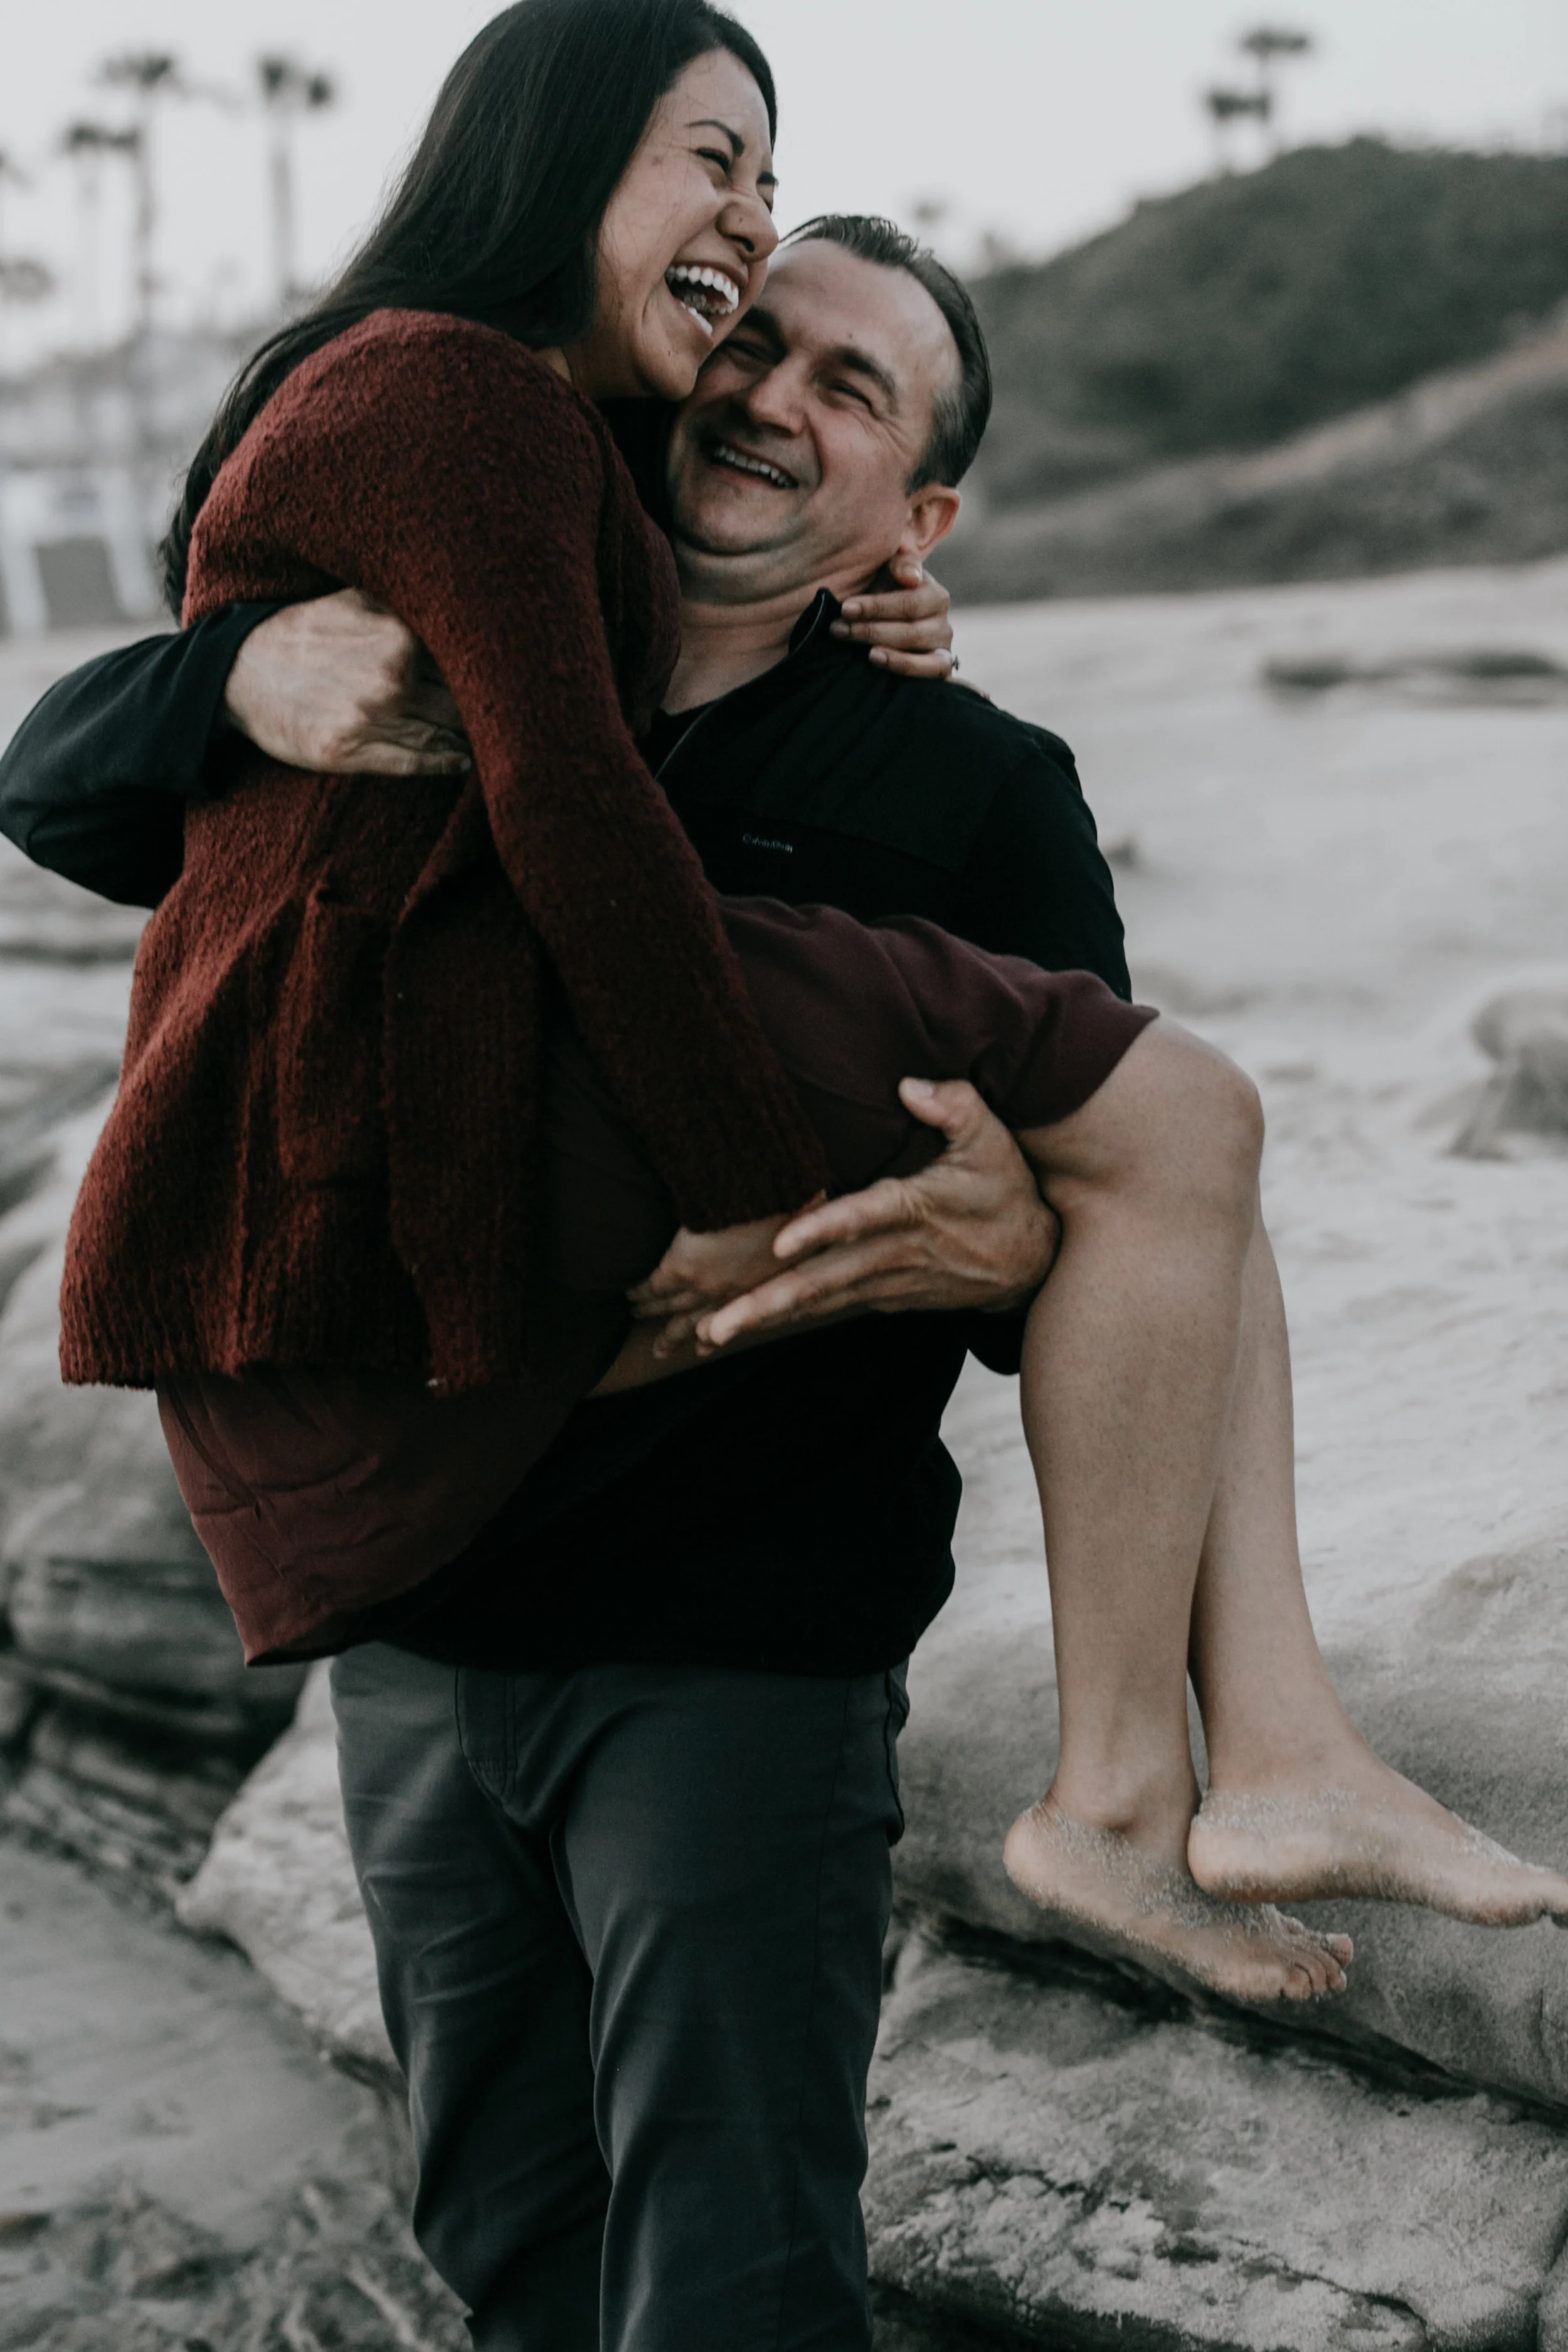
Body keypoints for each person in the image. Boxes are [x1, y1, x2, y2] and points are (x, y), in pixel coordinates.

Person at [9, 85, 1568, 2352]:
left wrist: (995, 1241)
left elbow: (1115, 1232)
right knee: (508, 2230)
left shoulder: (971, 785)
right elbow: (66, 793)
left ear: (912, 511)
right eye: (762, 349)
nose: (772, 399)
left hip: (738, 1638)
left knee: (735, 2267)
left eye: (854, 391)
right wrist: (228, 671)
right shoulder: (469, 638)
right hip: (427, 1619)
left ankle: (1213, 1767)